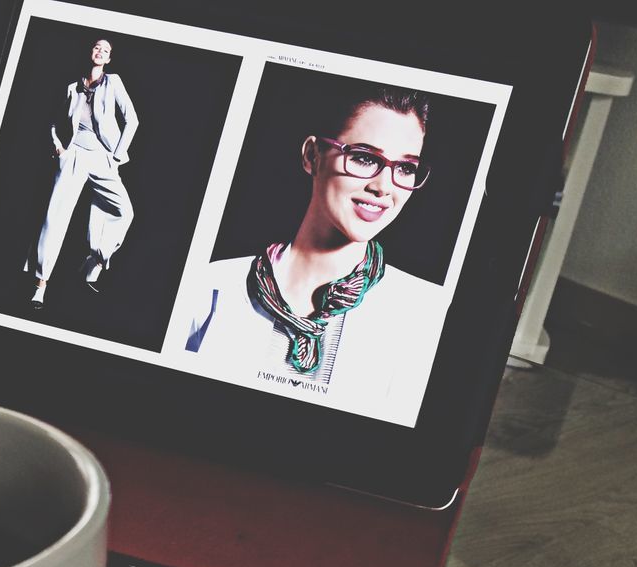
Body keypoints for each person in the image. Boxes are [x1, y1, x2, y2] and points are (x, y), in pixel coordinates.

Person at [185, 83, 443, 425]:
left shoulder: (426, 313)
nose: (384, 187)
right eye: (365, 158)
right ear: (312, 156)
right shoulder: (209, 284)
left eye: (406, 168)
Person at [29, 36, 139, 308]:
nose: (100, 52)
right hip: (74, 156)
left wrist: (115, 156)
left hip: (103, 158)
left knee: (124, 211)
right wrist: (59, 148)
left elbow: (132, 120)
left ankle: (95, 260)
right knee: (54, 219)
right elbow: (54, 123)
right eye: (97, 47)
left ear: (109, 58)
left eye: (106, 50)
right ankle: (40, 287)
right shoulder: (72, 88)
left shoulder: (114, 82)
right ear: (89, 52)